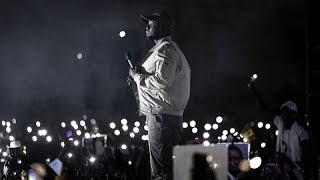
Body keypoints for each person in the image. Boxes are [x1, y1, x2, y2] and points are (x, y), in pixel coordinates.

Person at [128, 11, 191, 180]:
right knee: (165, 171)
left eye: (152, 23)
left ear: (163, 27)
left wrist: (137, 77)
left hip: (162, 119)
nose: (147, 26)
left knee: (161, 173)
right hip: (164, 118)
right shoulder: (164, 49)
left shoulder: (166, 50)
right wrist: (139, 78)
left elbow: (163, 81)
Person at [248, 81, 312, 180]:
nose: (283, 116)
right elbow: (265, 108)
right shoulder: (280, 124)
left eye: (286, 114)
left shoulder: (301, 132)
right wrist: (254, 91)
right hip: (282, 170)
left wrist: (295, 164)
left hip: (297, 172)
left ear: (294, 115)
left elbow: (306, 154)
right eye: (282, 113)